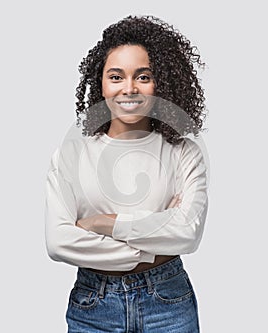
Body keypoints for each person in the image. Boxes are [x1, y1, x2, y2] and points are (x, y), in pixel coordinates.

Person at [45, 14, 208, 333]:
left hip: (168, 301)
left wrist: (103, 224)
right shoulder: (72, 154)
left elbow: (188, 234)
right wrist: (152, 243)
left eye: (143, 76)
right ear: (101, 83)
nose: (129, 89)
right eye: (116, 77)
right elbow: (59, 242)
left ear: (160, 82)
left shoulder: (183, 152)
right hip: (94, 304)